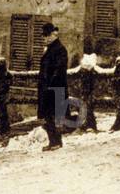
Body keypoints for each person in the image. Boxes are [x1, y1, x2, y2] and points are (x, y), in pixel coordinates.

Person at [37, 22, 68, 151]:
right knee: (48, 116)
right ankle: (53, 142)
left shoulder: (59, 49)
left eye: (46, 36)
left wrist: (50, 85)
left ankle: (56, 142)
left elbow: (58, 70)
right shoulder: (50, 49)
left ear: (52, 36)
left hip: (55, 88)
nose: (44, 38)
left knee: (54, 116)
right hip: (49, 88)